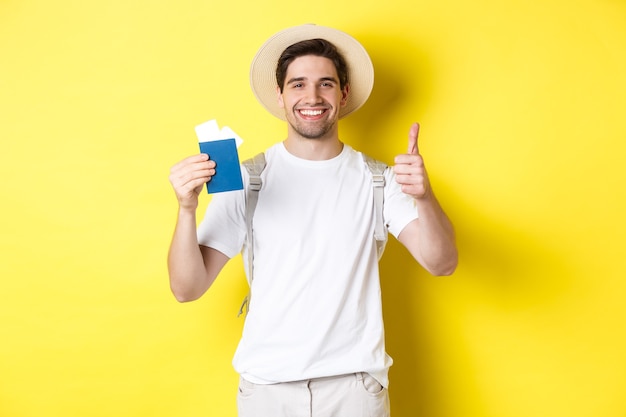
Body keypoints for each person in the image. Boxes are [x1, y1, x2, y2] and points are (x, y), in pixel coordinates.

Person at [167, 24, 457, 417]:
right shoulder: (247, 179)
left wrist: (424, 197)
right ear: (281, 96)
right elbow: (187, 288)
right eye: (298, 84)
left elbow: (442, 263)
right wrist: (186, 209)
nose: (312, 96)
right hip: (267, 390)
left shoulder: (379, 180)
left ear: (343, 94)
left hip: (354, 389)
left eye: (325, 83)